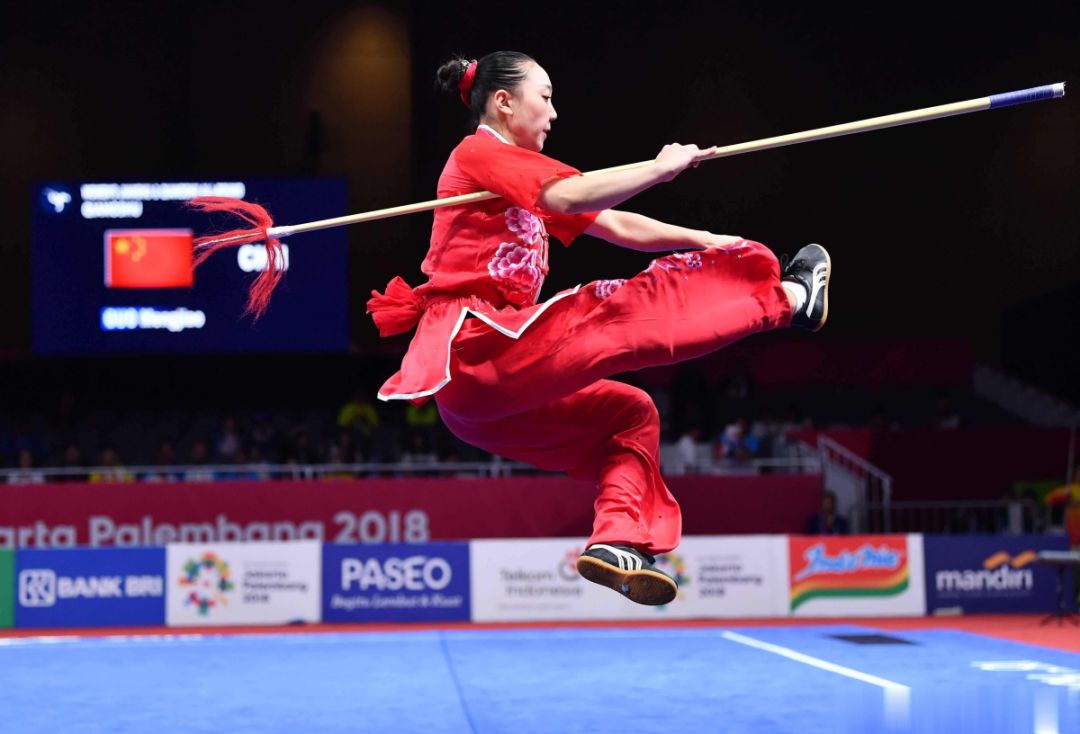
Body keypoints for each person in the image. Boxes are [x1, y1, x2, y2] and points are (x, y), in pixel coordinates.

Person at [367, 51, 831, 605]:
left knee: (631, 413)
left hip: (483, 404)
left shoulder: (517, 180)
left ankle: (616, 541)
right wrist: (661, 166)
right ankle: (791, 299)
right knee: (616, 309)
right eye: (545, 97)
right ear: (503, 102)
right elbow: (569, 193)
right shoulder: (481, 152)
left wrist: (704, 238)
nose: (555, 112)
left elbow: (616, 223)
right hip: (477, 349)